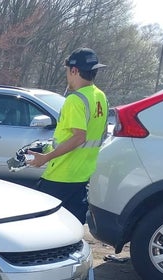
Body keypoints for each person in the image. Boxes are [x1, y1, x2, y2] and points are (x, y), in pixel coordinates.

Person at [28, 48, 108, 224]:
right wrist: (47, 147)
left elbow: (79, 137)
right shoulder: (100, 96)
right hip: (82, 174)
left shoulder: (75, 99)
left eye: (67, 71)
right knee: (72, 226)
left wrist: (45, 157)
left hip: (61, 175)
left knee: (40, 224)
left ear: (74, 70)